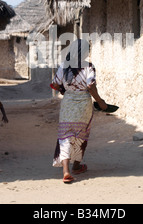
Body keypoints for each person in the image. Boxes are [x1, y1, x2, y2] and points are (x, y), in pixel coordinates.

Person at [51, 39, 108, 183]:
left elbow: (54, 84)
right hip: (84, 105)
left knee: (65, 136)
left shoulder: (64, 66)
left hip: (68, 104)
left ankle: (66, 171)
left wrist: (65, 90)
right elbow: (91, 86)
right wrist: (100, 101)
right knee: (81, 135)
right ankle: (76, 166)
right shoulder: (88, 66)